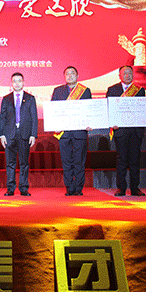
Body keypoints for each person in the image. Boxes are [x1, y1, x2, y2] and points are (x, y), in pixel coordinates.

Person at [106, 65, 146, 196]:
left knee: (135, 159)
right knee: (122, 159)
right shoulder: (112, 90)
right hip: (120, 130)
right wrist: (112, 122)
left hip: (135, 130)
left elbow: (144, 109)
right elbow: (109, 109)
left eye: (130, 73)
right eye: (125, 73)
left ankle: (135, 188)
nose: (127, 75)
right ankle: (121, 188)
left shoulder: (140, 90)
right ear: (119, 75)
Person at [51, 66, 92, 196]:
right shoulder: (58, 91)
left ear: (77, 76)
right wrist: (55, 125)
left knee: (79, 161)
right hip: (64, 132)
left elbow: (89, 110)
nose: (70, 75)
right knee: (66, 161)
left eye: (72, 73)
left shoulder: (85, 91)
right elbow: (53, 110)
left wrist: (90, 123)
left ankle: (79, 188)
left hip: (79, 132)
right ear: (64, 77)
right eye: (67, 74)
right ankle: (69, 187)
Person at [0, 72, 38, 196]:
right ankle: (10, 188)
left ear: (23, 82)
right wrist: (2, 135)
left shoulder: (30, 98)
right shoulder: (6, 99)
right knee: (10, 163)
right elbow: (2, 118)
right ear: (11, 83)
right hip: (9, 134)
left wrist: (33, 135)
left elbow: (34, 118)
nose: (17, 83)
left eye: (19, 81)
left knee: (24, 163)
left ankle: (23, 188)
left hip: (24, 134)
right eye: (14, 81)